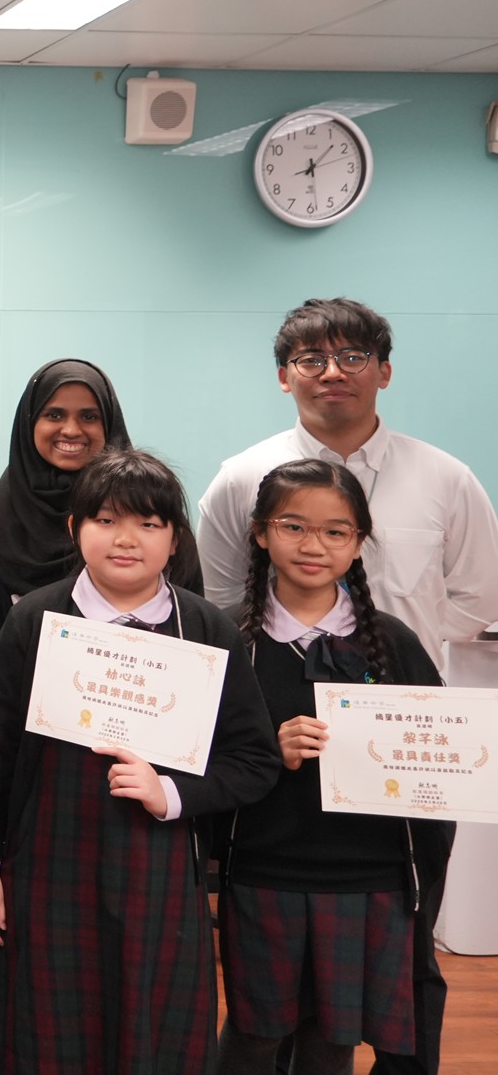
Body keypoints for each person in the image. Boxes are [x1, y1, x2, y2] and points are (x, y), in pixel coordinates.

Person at [0, 449, 281, 1074]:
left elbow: (254, 760)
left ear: (175, 538)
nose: (126, 539)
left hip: (156, 868)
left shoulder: (204, 629)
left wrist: (172, 794)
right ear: (74, 527)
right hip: (44, 864)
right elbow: (1, 760)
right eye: (105, 520)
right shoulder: (34, 619)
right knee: (41, 1032)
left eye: (148, 523)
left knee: (149, 1031)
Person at [216, 459, 453, 1075]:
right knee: (254, 1034)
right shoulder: (230, 641)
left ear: (358, 542)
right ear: (261, 533)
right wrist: (268, 750)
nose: (313, 545)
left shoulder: (392, 643)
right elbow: (202, 762)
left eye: (335, 531)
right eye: (293, 526)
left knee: (333, 1037)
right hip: (264, 871)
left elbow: (439, 770)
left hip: (368, 878)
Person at [198, 297, 498, 669]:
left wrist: (409, 637)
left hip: (400, 690)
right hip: (273, 690)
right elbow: (221, 599)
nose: (332, 373)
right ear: (284, 378)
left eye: (353, 358)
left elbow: (482, 594)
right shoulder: (240, 478)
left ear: (384, 372)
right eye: (311, 360)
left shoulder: (447, 478)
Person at [0, 358, 203, 682]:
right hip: (23, 705)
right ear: (29, 423)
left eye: (89, 417)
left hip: (144, 695)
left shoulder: (157, 515)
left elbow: (190, 634)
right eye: (54, 415)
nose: (71, 430)